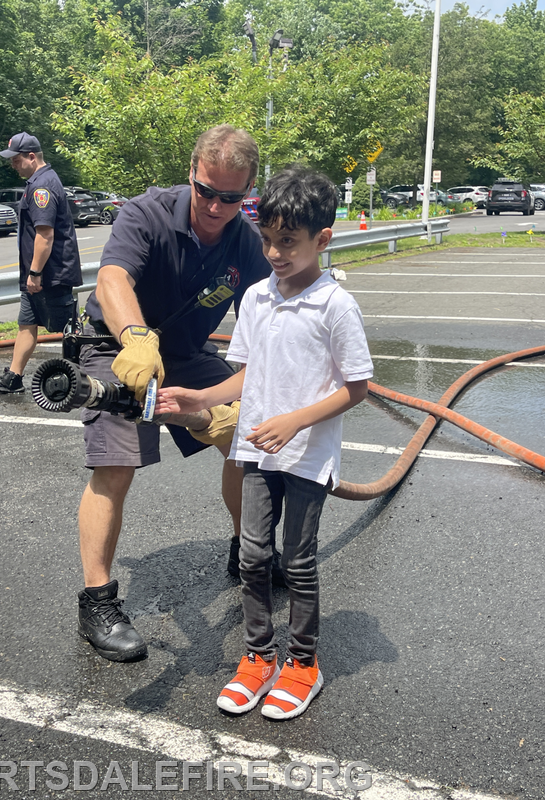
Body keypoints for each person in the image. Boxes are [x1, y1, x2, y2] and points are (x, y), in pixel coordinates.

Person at [157, 166, 374, 720]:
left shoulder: (335, 306)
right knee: (254, 556)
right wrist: (202, 400)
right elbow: (245, 375)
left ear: (322, 239)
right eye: (268, 240)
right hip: (256, 450)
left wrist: (297, 421)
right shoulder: (255, 297)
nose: (275, 253)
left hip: (305, 456)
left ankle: (303, 664)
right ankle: (258, 657)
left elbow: (357, 388)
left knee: (298, 562)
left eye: (288, 242)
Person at [75, 125, 274, 664]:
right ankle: (97, 601)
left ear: (248, 192)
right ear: (192, 173)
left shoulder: (246, 243)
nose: (214, 206)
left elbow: (271, 310)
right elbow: (112, 279)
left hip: (187, 352)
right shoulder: (148, 213)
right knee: (117, 463)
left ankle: (248, 552)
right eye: (206, 191)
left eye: (230, 197)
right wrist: (135, 339)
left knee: (246, 440)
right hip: (118, 343)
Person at [0, 132, 82, 394]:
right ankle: (14, 378)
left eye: (16, 160)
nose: (13, 165)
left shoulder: (42, 187)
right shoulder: (38, 181)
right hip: (35, 276)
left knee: (68, 330)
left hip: (50, 274)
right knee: (27, 324)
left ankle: (87, 380)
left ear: (31, 156)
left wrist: (35, 272)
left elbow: (45, 235)